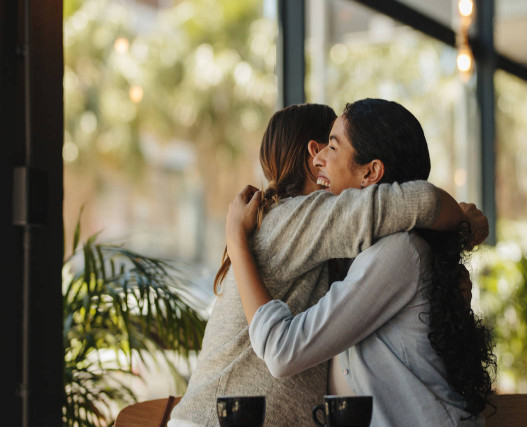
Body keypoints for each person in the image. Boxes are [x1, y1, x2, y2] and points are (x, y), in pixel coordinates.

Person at [169, 103, 486, 427]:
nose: (320, 157)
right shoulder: (298, 218)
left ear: (370, 172)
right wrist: (464, 224)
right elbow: (422, 202)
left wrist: (462, 228)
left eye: (332, 147)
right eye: (322, 146)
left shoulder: (389, 252)